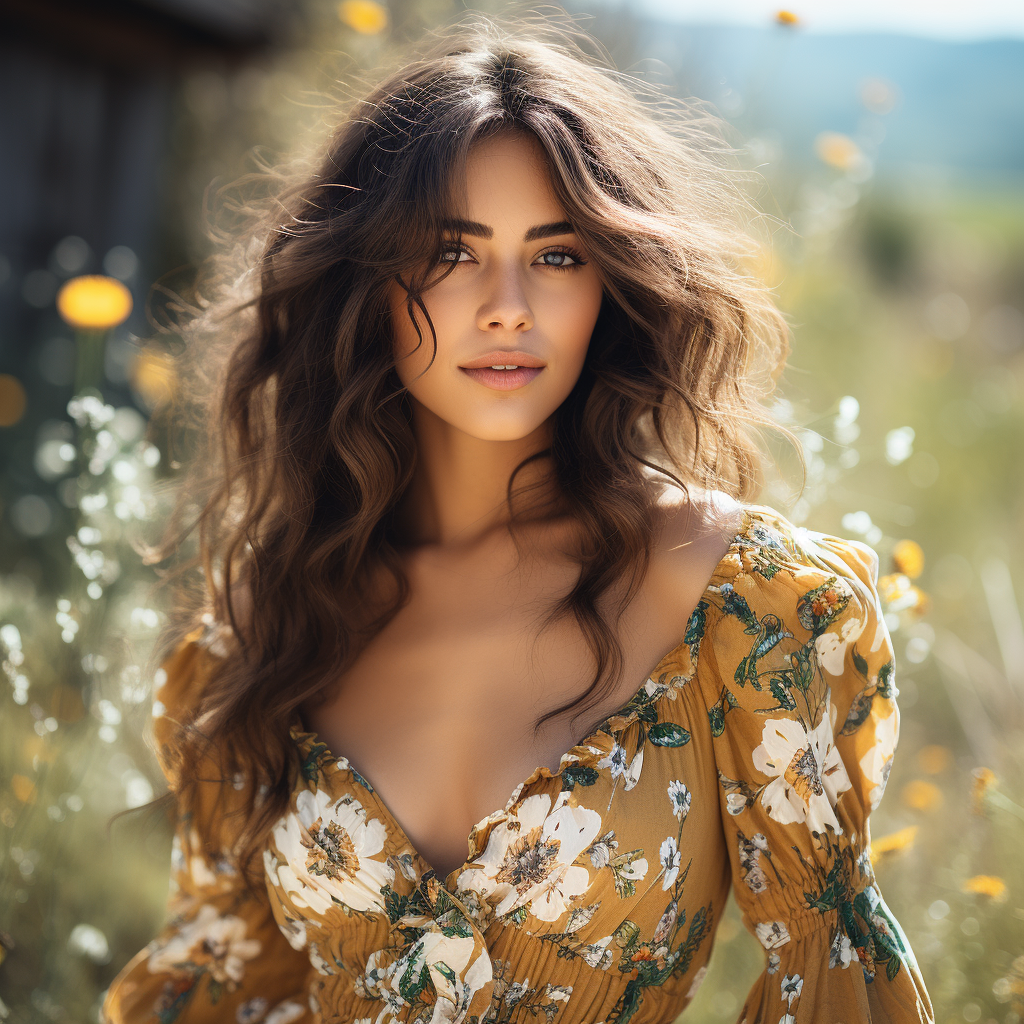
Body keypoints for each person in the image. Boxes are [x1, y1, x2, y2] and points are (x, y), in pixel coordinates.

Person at [101, 11, 934, 1024]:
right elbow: (218, 982)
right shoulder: (270, 621)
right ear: (366, 282)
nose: (507, 307)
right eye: (450, 254)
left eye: (556, 257)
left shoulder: (743, 608)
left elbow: (833, 980)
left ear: (610, 286)